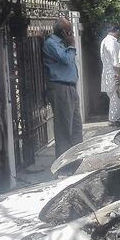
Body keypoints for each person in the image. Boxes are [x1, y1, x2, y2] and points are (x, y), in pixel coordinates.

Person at [43, 18, 83, 159]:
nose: (72, 33)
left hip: (70, 87)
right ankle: (64, 164)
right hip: (60, 88)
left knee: (76, 126)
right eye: (69, 31)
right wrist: (71, 45)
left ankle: (77, 158)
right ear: (63, 32)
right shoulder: (51, 44)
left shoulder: (62, 43)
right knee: (64, 127)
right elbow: (65, 60)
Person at [99, 24, 120, 126]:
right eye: (119, 32)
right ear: (117, 30)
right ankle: (114, 119)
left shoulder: (106, 41)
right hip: (113, 73)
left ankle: (116, 118)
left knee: (115, 97)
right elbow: (115, 61)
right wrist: (119, 75)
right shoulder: (111, 42)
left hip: (109, 73)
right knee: (116, 96)